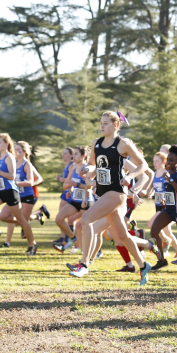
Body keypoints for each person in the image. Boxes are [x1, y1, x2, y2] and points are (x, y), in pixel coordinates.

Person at [68, 111, 151, 283]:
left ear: (116, 125)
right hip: (102, 192)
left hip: (116, 193)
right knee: (122, 235)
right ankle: (143, 265)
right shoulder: (96, 143)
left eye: (105, 123)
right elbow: (92, 165)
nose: (102, 126)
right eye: (101, 123)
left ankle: (84, 264)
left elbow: (143, 165)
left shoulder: (123, 144)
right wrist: (88, 170)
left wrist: (129, 176)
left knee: (86, 220)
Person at [0, 133, 38, 255]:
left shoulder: (9, 157)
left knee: (22, 221)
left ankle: (32, 244)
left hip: (10, 192)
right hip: (0, 191)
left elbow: (12, 176)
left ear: (6, 144)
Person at [0, 141, 44, 248]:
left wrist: (16, 183)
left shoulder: (27, 164)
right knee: (3, 216)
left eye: (18, 150)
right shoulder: (12, 162)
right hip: (14, 195)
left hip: (27, 196)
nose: (15, 152)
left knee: (24, 223)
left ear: (24, 152)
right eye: (14, 150)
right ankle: (35, 217)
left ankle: (31, 245)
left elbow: (31, 182)